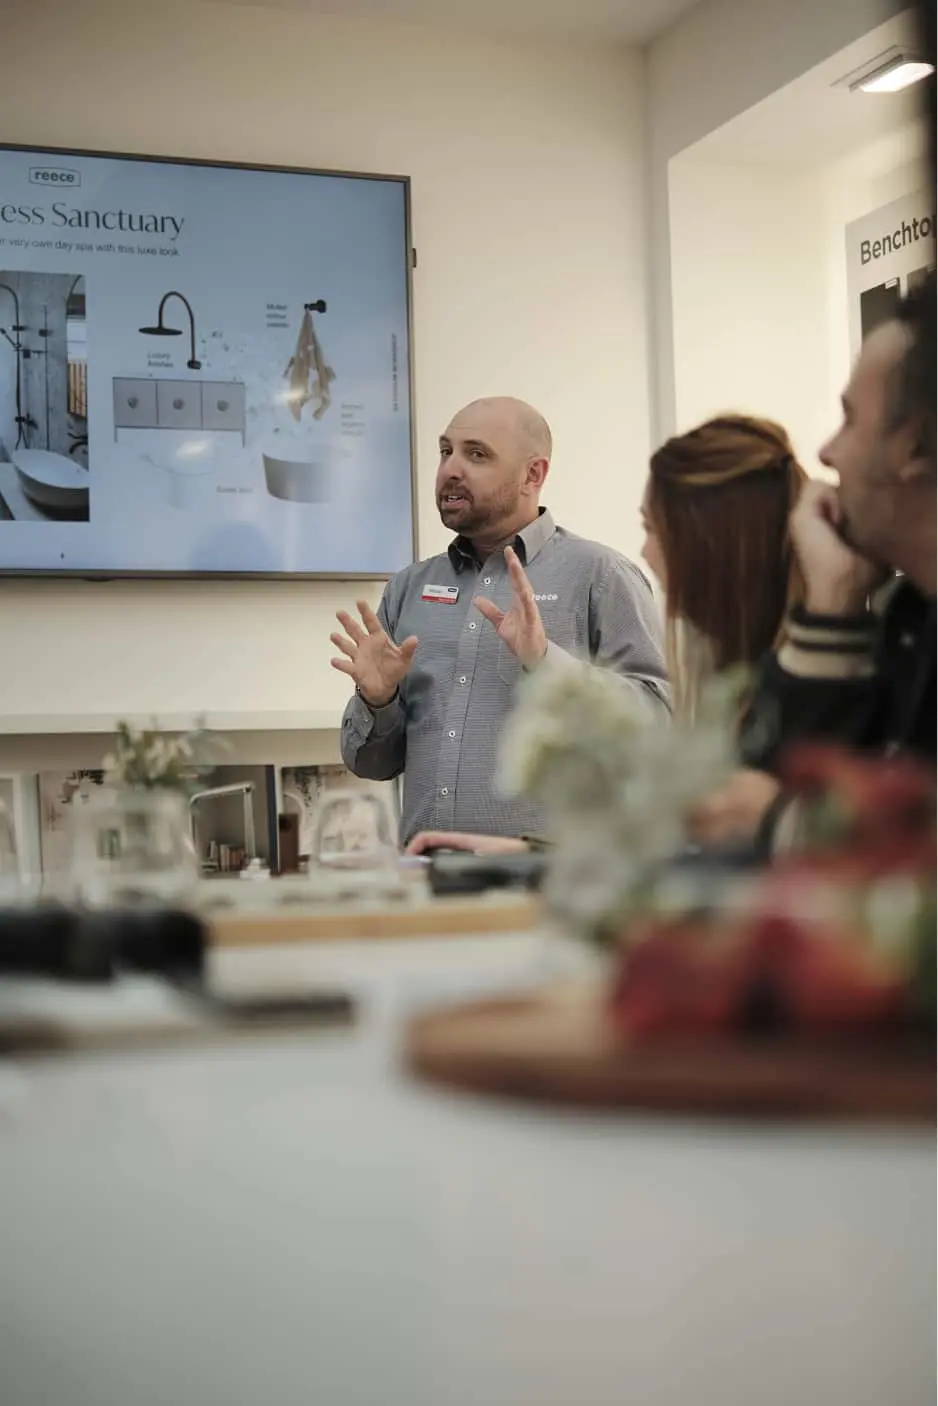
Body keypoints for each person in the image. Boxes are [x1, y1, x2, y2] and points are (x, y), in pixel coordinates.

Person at [409, 413, 808, 855]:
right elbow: (676, 855)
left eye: (653, 529)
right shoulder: (732, 676)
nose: (645, 550)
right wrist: (527, 857)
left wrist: (545, 659)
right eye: (445, 452)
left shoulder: (795, 687)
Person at [331, 396, 669, 846]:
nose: (451, 468)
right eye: (445, 450)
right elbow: (371, 764)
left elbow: (658, 731)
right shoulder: (410, 587)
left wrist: (547, 662)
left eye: (476, 454)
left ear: (534, 474)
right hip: (427, 888)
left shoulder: (601, 577)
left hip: (551, 891)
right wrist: (378, 700)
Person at [741, 275, 936, 783]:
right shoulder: (913, 619)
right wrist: (834, 599)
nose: (826, 452)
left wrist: (772, 823)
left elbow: (825, 837)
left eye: (849, 420)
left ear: (915, 447)